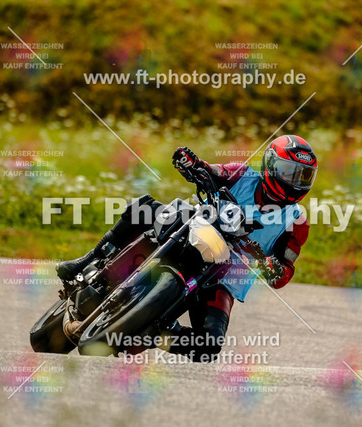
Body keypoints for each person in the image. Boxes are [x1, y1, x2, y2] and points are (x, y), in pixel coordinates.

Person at [56, 135, 318, 361]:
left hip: (225, 277)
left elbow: (286, 270)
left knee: (209, 346)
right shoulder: (242, 174)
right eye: (289, 171)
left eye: (303, 175)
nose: (295, 181)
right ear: (270, 165)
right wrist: (191, 163)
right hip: (197, 229)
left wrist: (274, 268)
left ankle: (152, 334)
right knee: (145, 207)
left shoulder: (297, 222)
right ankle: (87, 260)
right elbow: (210, 170)